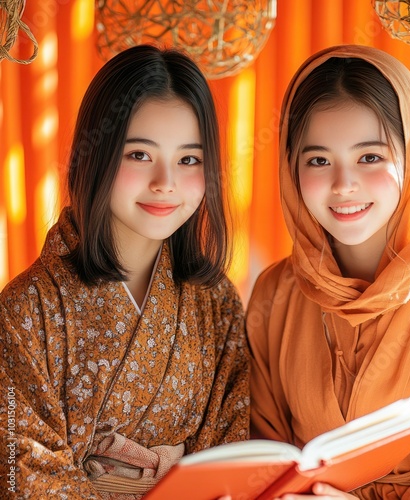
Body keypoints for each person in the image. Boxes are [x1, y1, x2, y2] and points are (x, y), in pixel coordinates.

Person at [246, 45, 410, 499]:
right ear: (290, 167)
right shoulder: (275, 293)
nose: (344, 184)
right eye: (319, 160)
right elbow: (260, 465)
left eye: (370, 157)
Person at [0, 44, 250, 499]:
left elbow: (231, 450)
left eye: (189, 159)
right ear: (94, 154)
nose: (165, 181)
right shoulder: (25, 308)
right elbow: (23, 471)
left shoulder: (215, 300)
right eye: (139, 154)